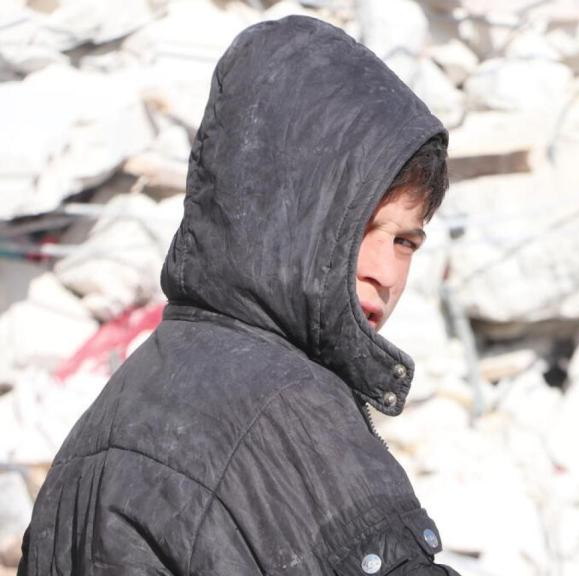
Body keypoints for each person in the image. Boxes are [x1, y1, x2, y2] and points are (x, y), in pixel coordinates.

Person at [19, 15, 461, 576]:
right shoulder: (287, 411)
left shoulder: (114, 414)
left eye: (404, 241)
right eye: (358, 229)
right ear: (283, 217)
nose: (384, 272)